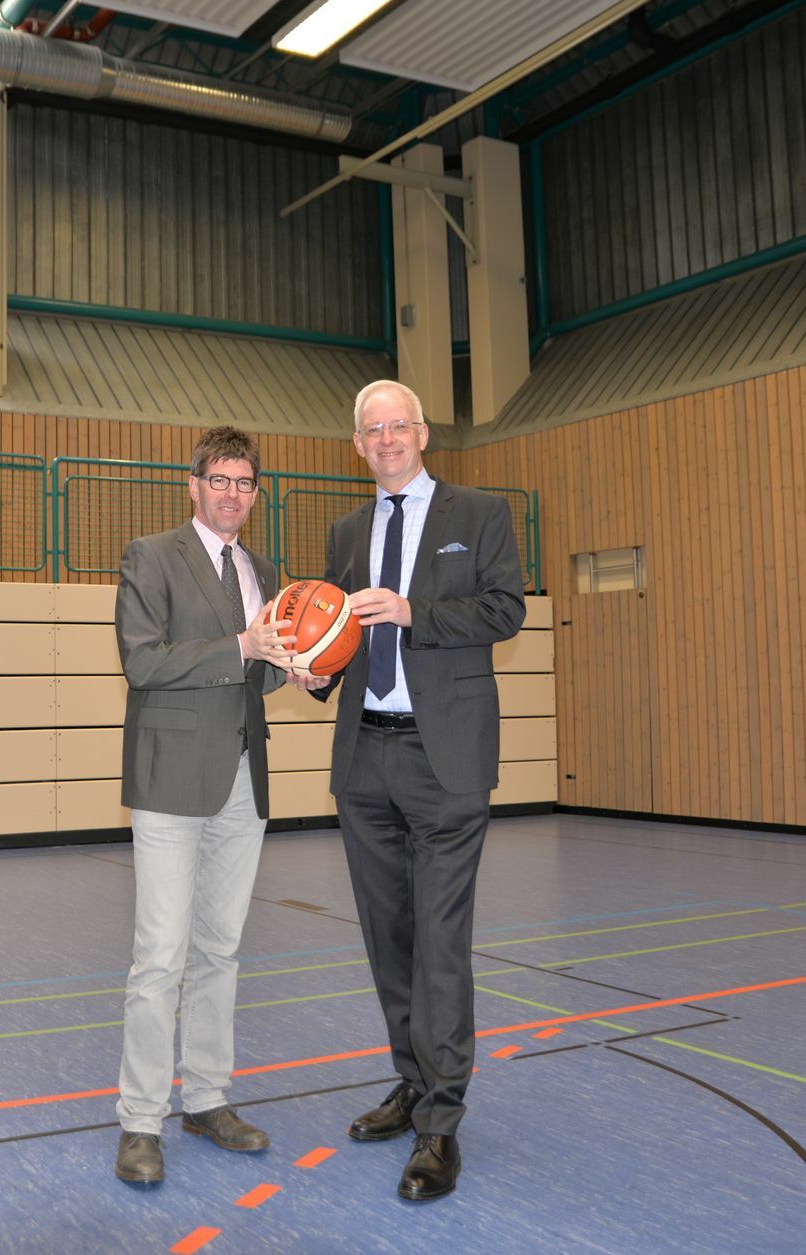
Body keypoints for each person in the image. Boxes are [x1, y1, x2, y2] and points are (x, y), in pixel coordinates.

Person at [294, 380, 527, 1201]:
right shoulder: (346, 531)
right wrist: (314, 670)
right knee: (388, 936)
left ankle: (441, 1121)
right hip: (365, 757)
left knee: (440, 939)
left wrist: (411, 611)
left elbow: (505, 611)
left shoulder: (480, 513)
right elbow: (336, 635)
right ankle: (412, 1079)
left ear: (422, 433)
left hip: (445, 758)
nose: (387, 438)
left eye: (398, 425)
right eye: (372, 429)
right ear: (358, 445)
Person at [110, 425, 295, 1186]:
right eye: (219, 479)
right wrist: (244, 647)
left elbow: (261, 670)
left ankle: (208, 1097)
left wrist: (302, 667)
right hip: (171, 779)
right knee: (160, 955)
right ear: (194, 486)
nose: (231, 494)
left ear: (255, 493)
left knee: (220, 950)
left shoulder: (263, 569)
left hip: (243, 779)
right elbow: (143, 661)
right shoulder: (151, 556)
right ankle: (140, 1119)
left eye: (244, 483)